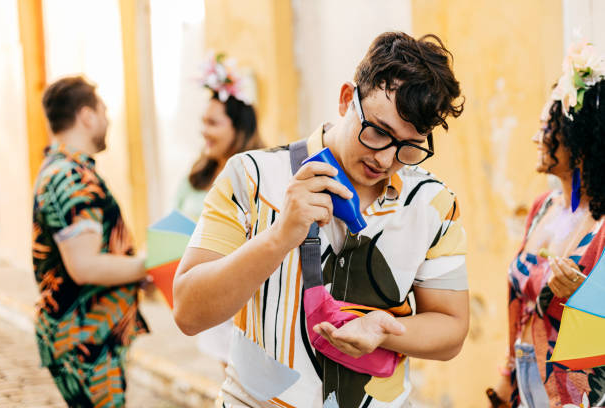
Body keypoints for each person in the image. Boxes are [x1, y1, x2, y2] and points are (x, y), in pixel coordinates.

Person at [174, 32, 469, 407]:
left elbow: (452, 329)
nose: (384, 159)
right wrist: (280, 236)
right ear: (347, 98)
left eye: (408, 148)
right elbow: (188, 313)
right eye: (378, 132)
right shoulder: (251, 175)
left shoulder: (434, 202)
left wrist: (385, 331)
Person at [492, 40, 605, 407]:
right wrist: (505, 382)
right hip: (525, 375)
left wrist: (584, 295)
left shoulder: (601, 228)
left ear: (578, 137)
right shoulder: (543, 207)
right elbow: (520, 302)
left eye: (545, 128)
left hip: (573, 392)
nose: (535, 138)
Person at [33, 76, 148, 407]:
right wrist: (151, 262)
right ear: (86, 116)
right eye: (104, 110)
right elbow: (84, 266)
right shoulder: (70, 177)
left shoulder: (63, 171)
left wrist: (137, 271)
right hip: (86, 339)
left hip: (89, 335)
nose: (108, 119)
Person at [175, 53, 262, 363]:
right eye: (203, 121)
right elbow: (174, 227)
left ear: (238, 128)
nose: (204, 131)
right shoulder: (196, 176)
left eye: (213, 122)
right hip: (207, 297)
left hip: (246, 302)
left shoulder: (259, 179)